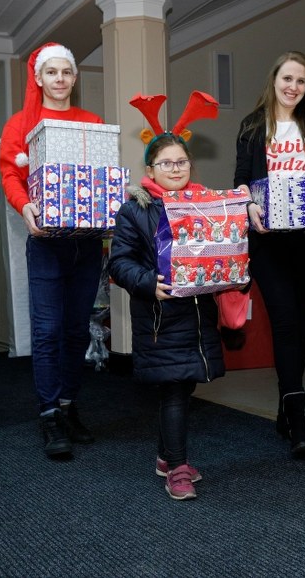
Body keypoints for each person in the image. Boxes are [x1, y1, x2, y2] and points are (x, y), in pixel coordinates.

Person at [108, 92, 224, 500]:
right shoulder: (134, 211)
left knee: (185, 384)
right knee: (174, 388)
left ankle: (164, 456)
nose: (175, 168)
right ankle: (177, 469)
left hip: (196, 315)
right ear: (150, 169)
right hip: (160, 317)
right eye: (166, 163)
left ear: (190, 165)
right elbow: (118, 264)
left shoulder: (207, 205)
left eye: (181, 161)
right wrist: (146, 282)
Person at [0, 42, 104, 459]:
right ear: (38, 78)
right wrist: (25, 207)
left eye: (66, 72)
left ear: (74, 79)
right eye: (52, 72)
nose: (60, 79)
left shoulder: (92, 122)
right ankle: (48, 415)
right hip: (45, 242)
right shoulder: (21, 124)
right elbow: (10, 173)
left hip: (86, 243)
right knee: (47, 331)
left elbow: (100, 176)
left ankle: (67, 404)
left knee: (77, 330)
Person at [234, 51, 305, 459]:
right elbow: (241, 178)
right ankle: (298, 416)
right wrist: (248, 206)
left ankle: (285, 405)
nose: (293, 87)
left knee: (298, 325)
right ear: (274, 80)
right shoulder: (253, 125)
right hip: (269, 243)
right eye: (288, 78)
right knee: (284, 324)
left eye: (301, 81)